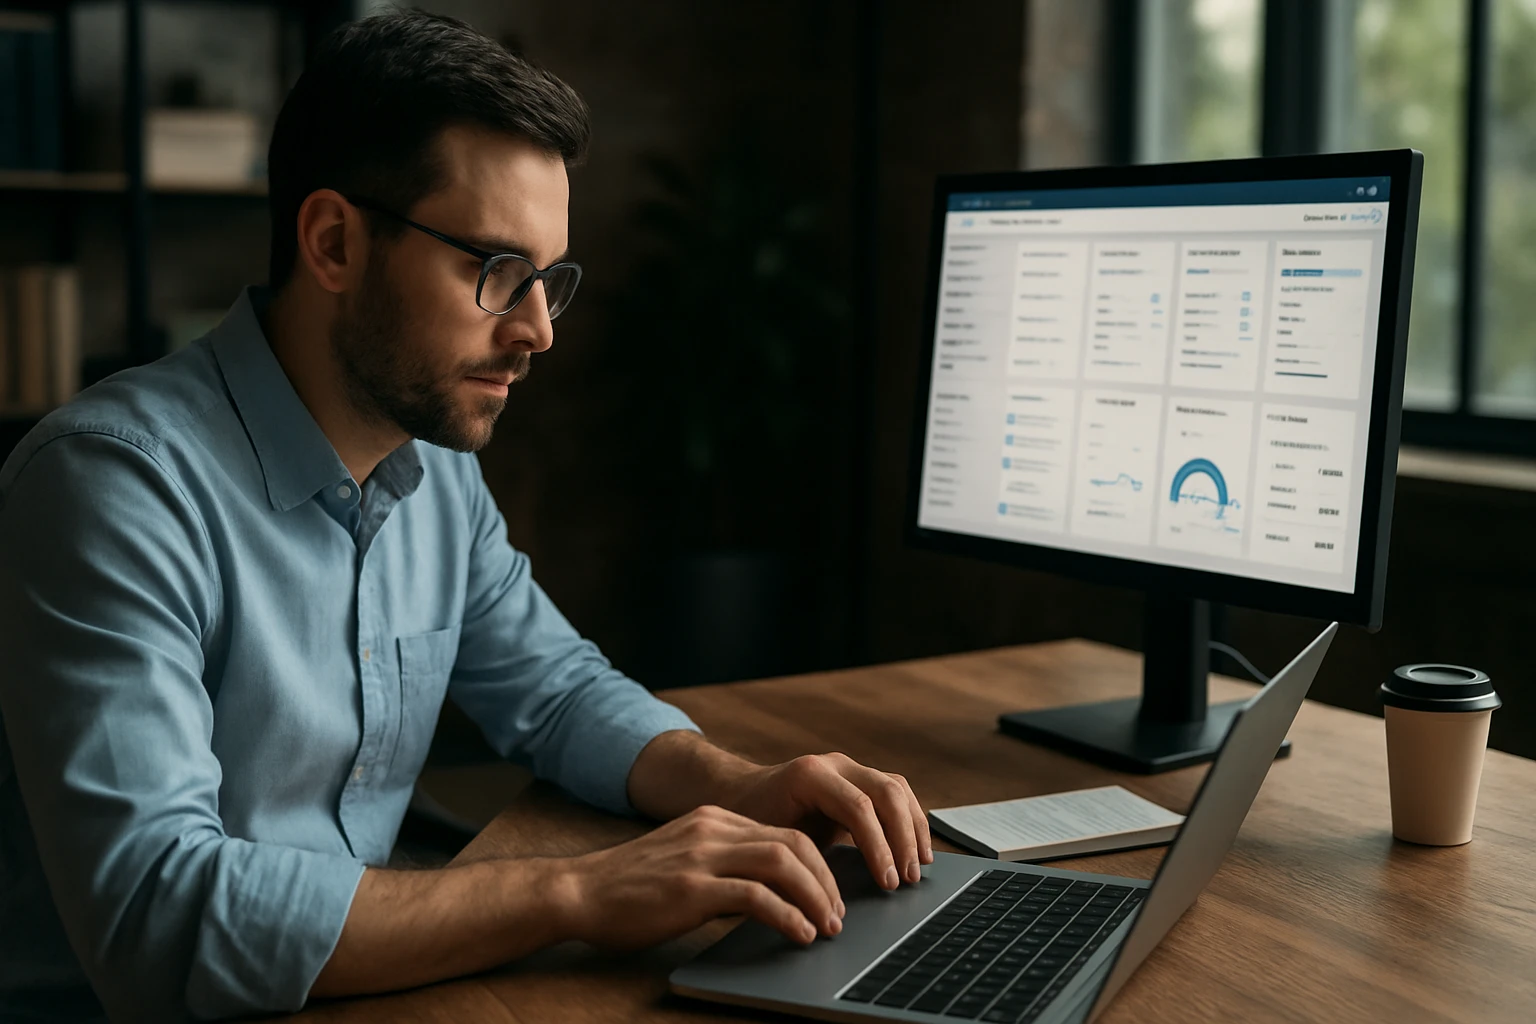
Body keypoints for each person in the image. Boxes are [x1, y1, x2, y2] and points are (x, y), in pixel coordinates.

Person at [0, 10, 932, 1023]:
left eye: (549, 280)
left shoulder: (428, 462)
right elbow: (157, 919)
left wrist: (735, 781)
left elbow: (559, 689)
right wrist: (577, 889)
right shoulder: (110, 485)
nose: (536, 330)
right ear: (332, 242)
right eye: (495, 271)